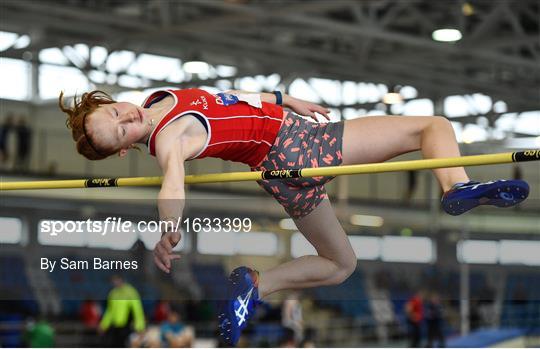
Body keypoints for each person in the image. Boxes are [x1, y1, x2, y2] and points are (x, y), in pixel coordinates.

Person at [59, 87, 530, 346]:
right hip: (299, 147)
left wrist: (284, 99)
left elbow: (229, 97)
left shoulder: (155, 100)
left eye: (117, 113)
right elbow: (173, 182)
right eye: (118, 134)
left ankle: (257, 285)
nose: (126, 121)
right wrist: (168, 230)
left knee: (341, 263)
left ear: (112, 99)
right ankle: (456, 186)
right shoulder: (167, 139)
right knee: (434, 127)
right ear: (123, 153)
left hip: (280, 169)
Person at [99, 275, 146, 347]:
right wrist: (104, 325)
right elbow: (109, 311)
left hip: (127, 326)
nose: (115, 282)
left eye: (116, 280)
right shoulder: (113, 293)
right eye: (113, 280)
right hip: (115, 326)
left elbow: (137, 310)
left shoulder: (131, 292)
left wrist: (140, 326)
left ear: (122, 279)